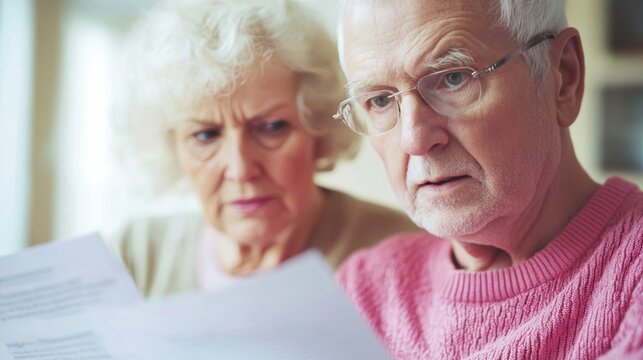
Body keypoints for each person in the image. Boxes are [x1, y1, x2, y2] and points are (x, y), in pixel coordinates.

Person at [334, 0, 643, 358]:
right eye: (380, 100)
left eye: (454, 78)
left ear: (563, 77)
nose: (414, 139)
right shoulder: (362, 293)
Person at [111, 0, 418, 298]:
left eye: (272, 128)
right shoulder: (136, 257)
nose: (241, 168)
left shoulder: (403, 251)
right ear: (171, 147)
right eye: (205, 135)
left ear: (318, 129)